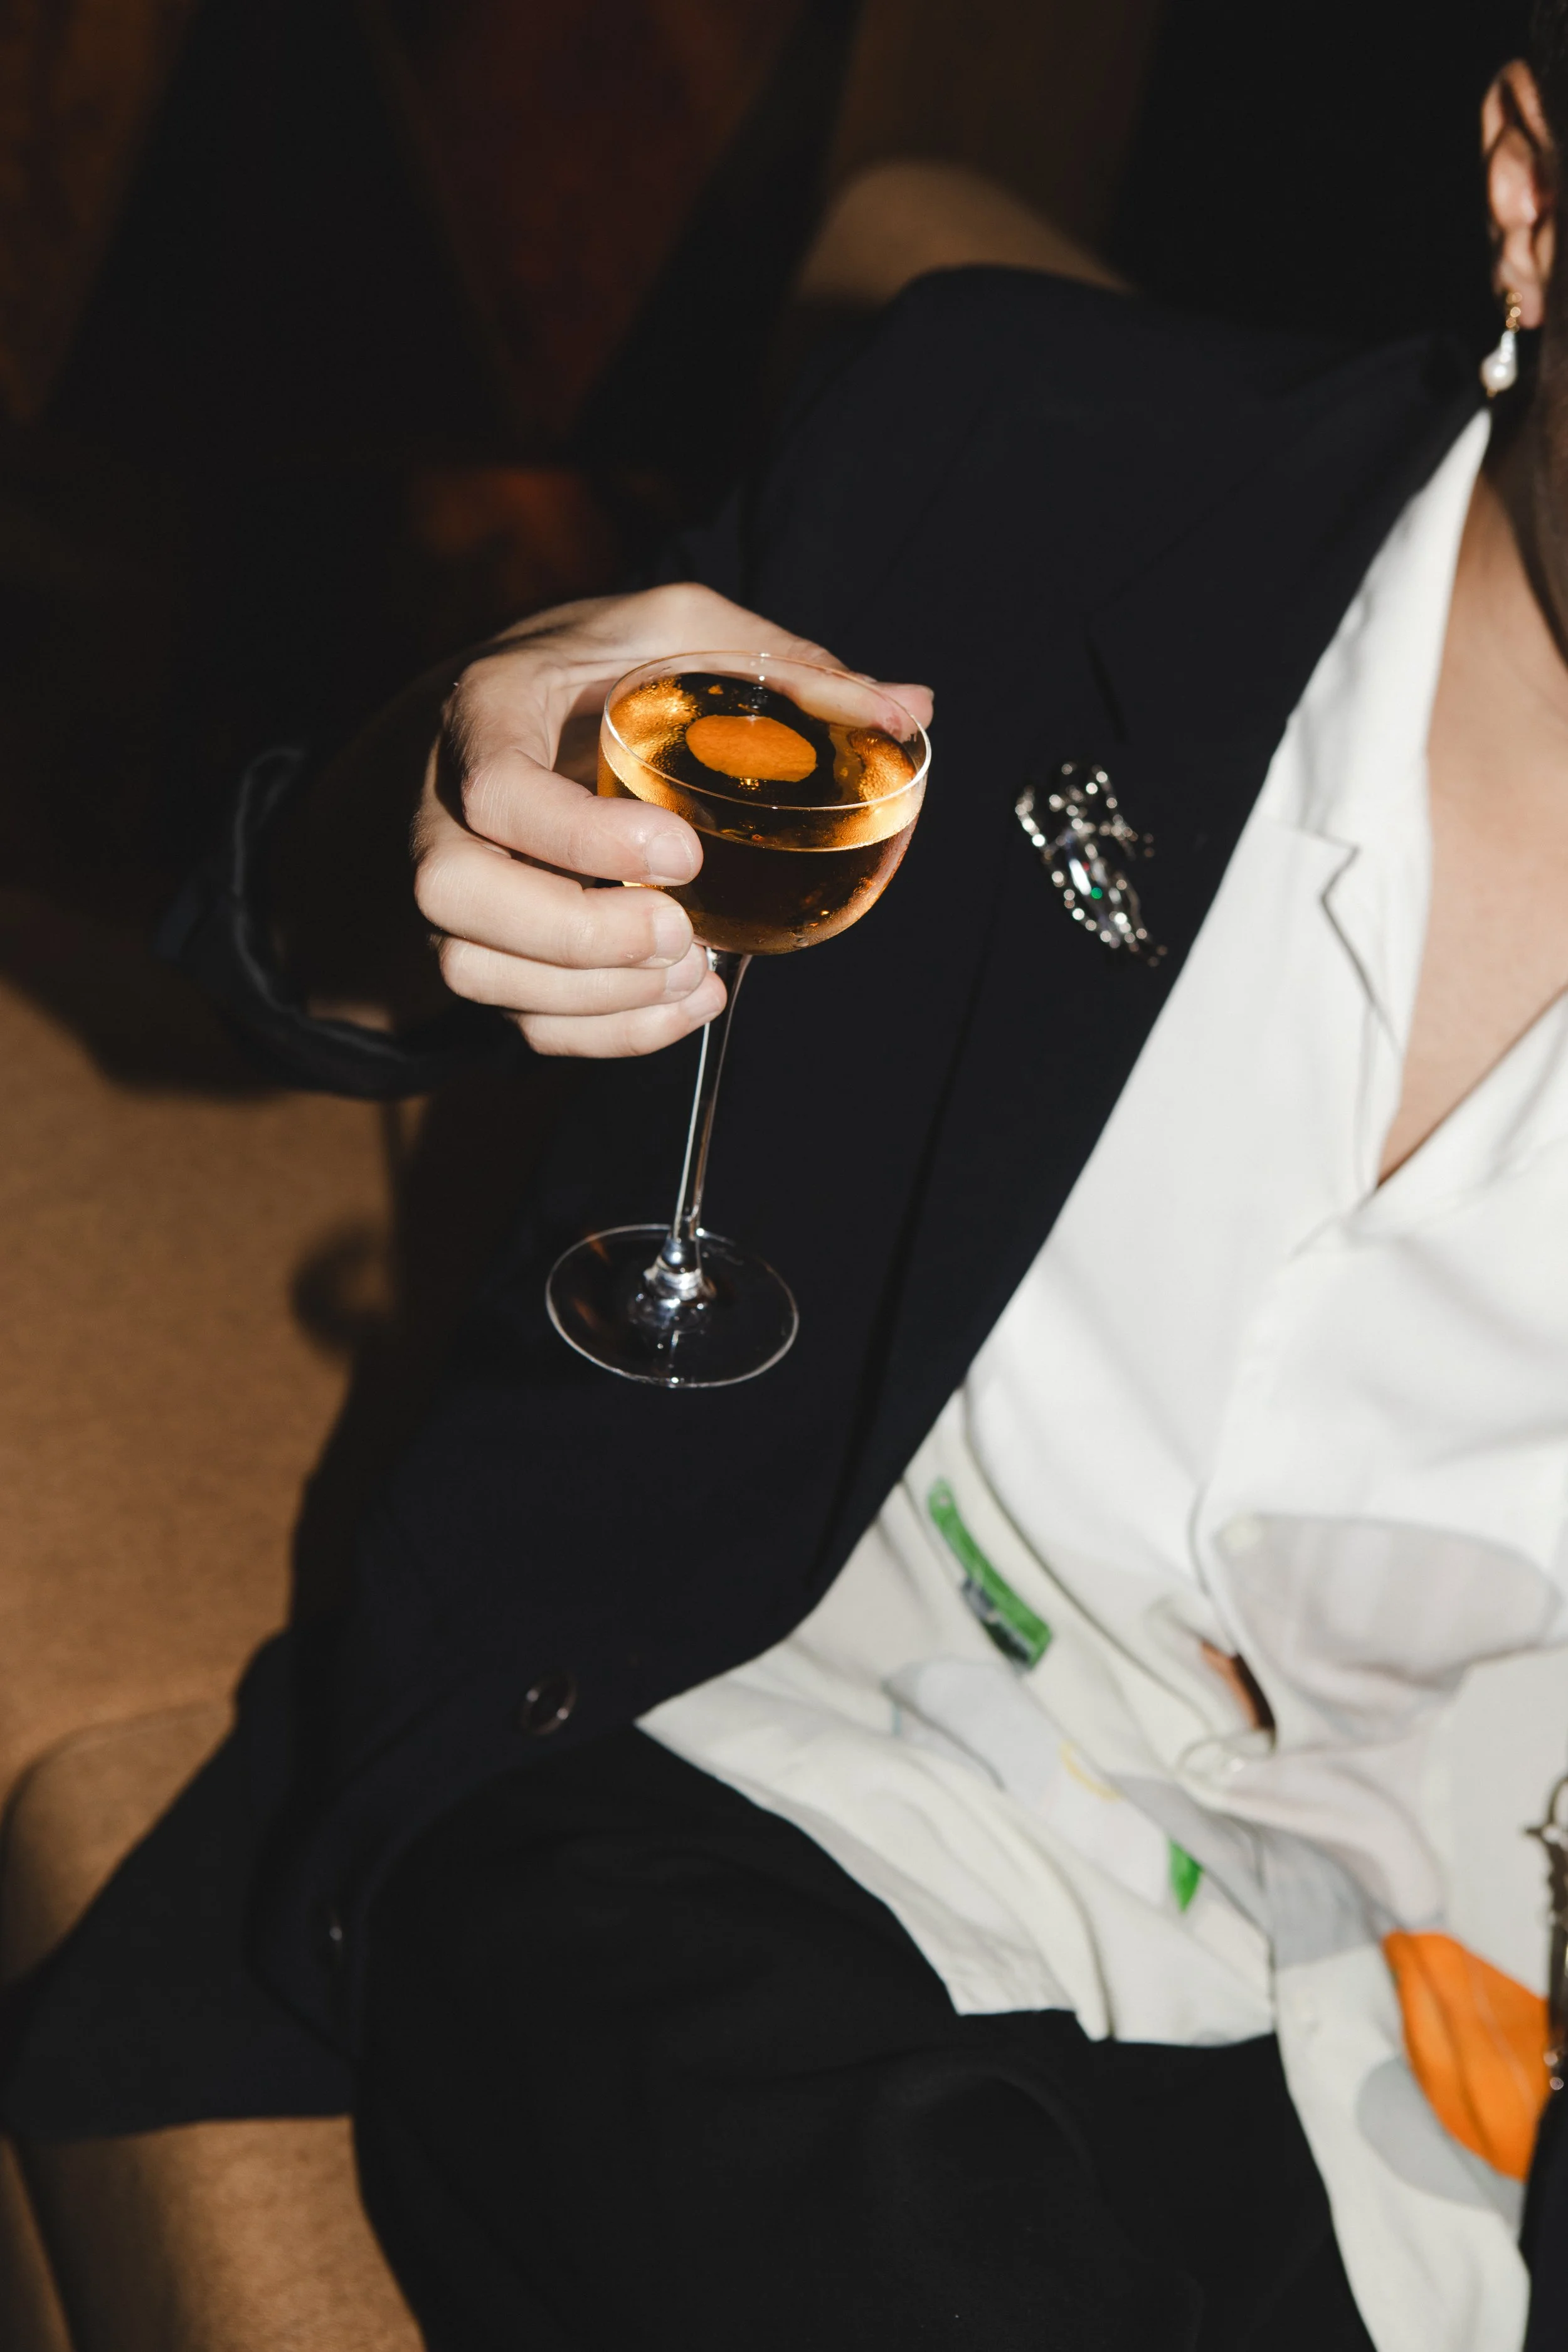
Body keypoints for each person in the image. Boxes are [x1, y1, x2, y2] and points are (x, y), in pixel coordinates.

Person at [8, 19, 1568, 2352]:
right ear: (1532, 198)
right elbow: (295, 960)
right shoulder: (1022, 457)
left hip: (1440, 2020)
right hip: (744, 1778)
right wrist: (444, 812)